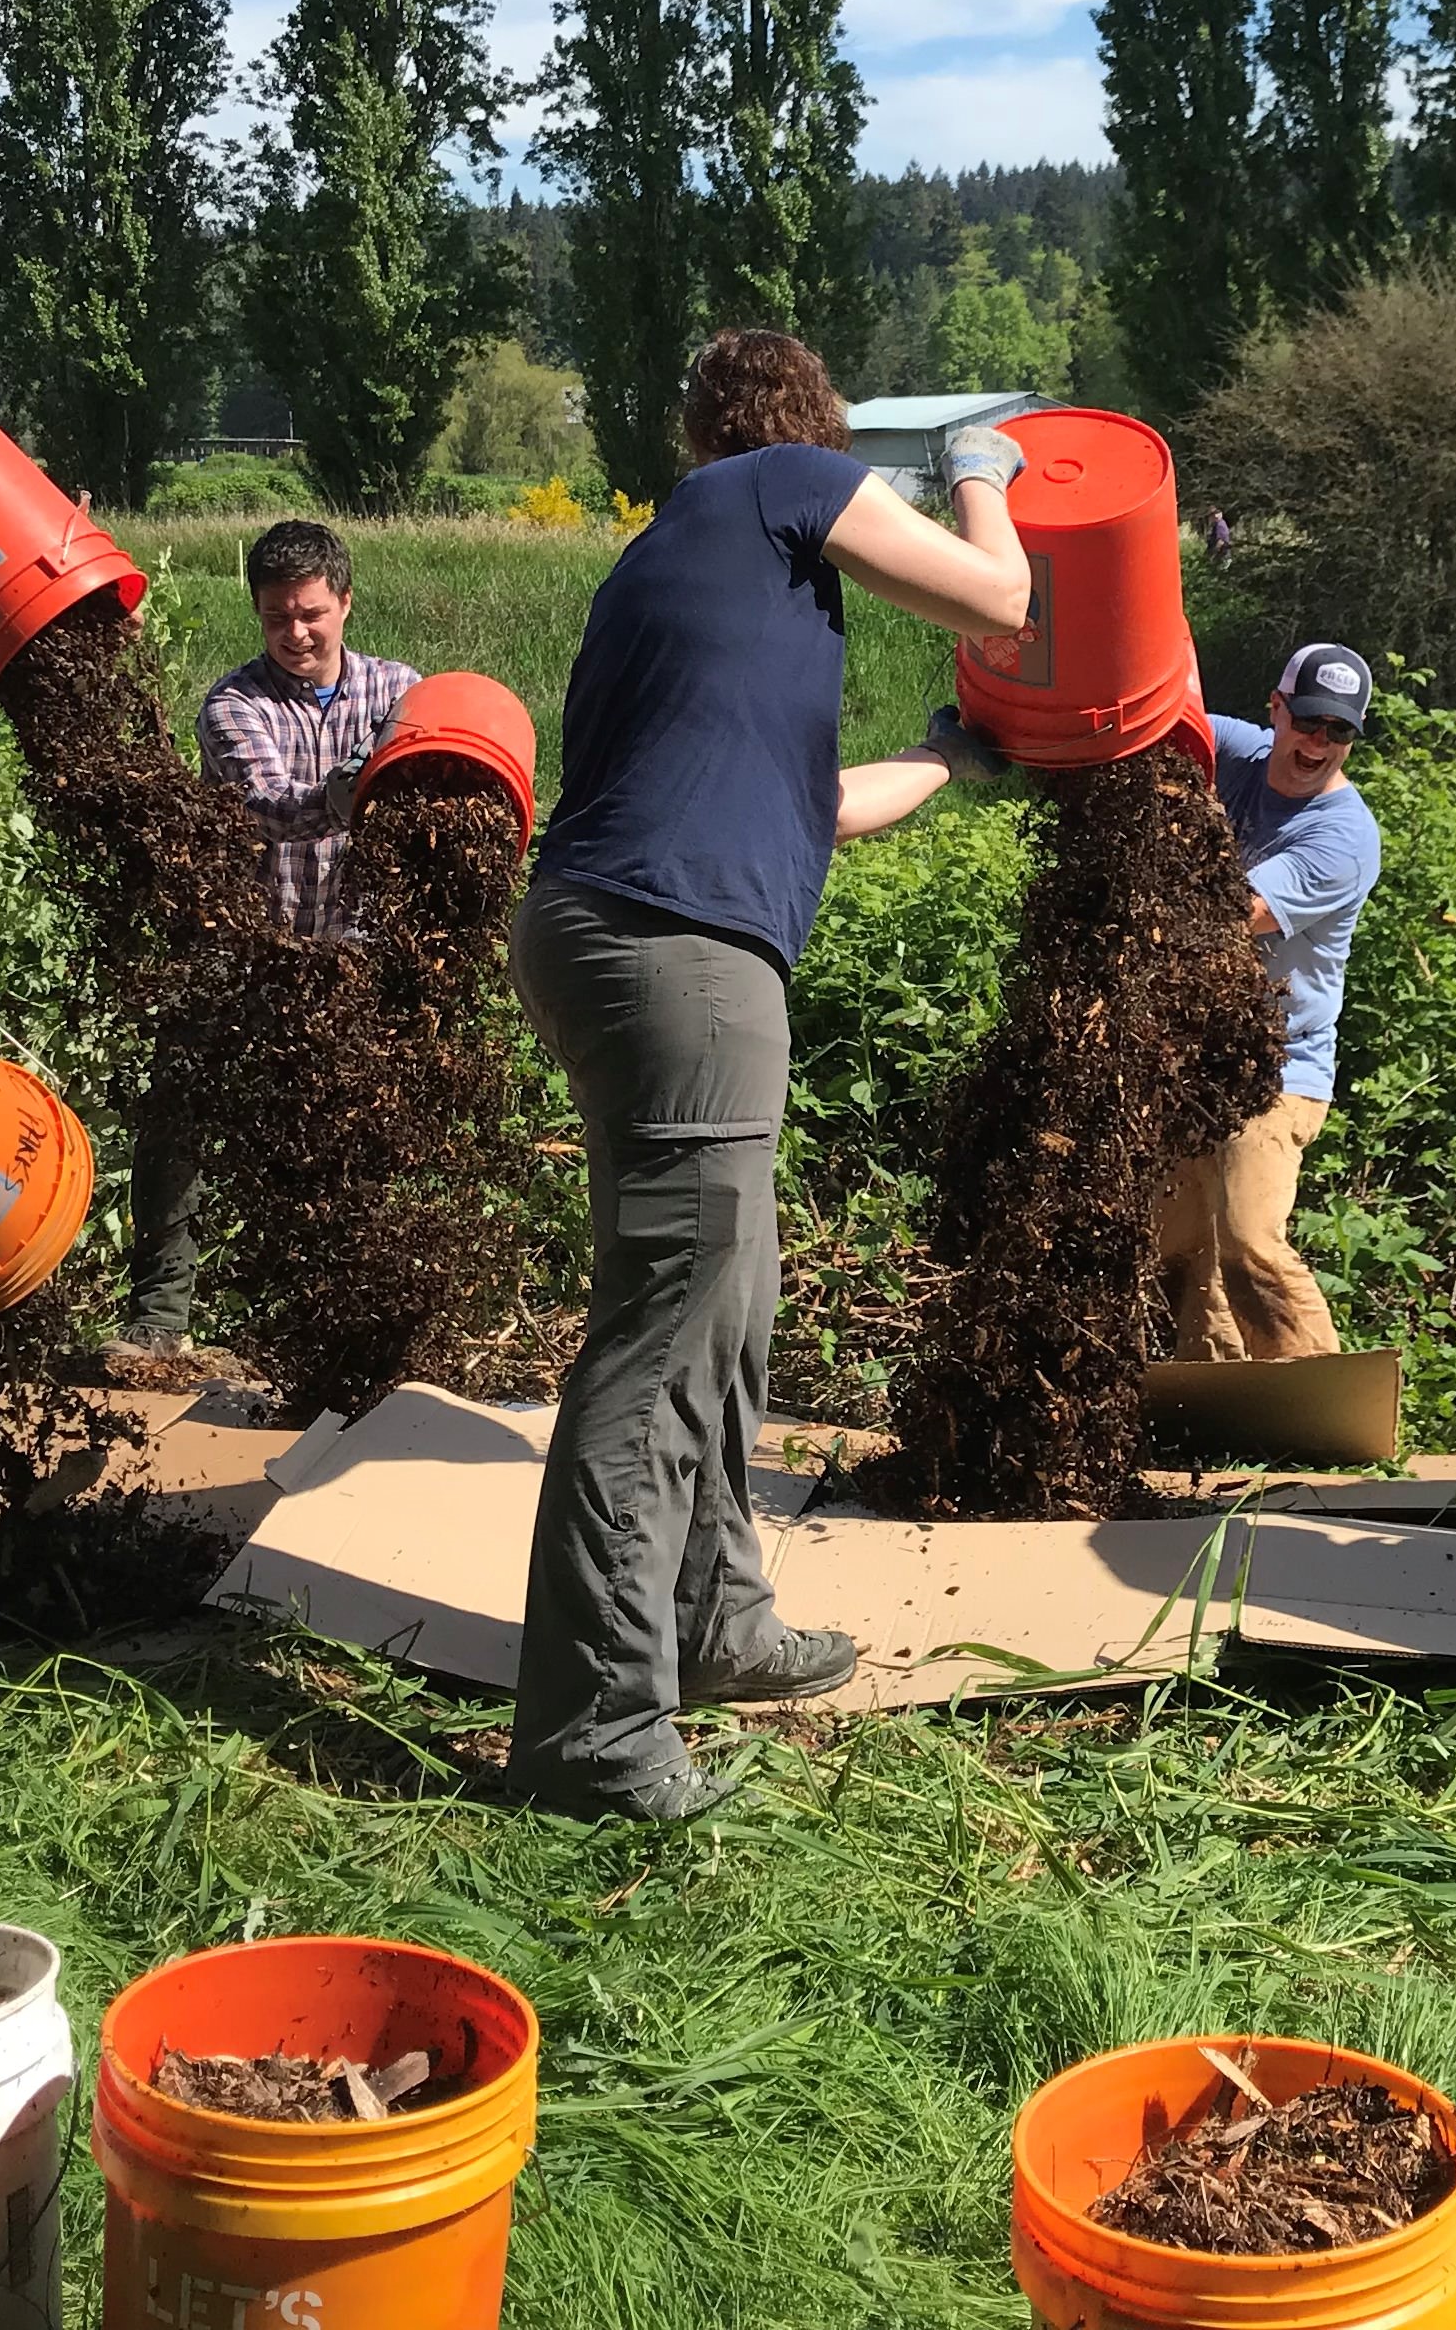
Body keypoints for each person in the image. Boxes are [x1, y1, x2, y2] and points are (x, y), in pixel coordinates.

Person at [510, 331, 1028, 1821]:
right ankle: (592, 1737)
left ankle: (716, 1620)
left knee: (731, 1306)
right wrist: (983, 473)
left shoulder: (687, 569)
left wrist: (953, 759)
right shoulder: (782, 486)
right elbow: (1000, 600)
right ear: (820, 437)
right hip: (680, 951)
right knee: (666, 1332)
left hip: (615, 930)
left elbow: (819, 807)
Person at [122, 517, 423, 1347]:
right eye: (276, 617)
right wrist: (356, 786)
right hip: (243, 946)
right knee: (178, 1120)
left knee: (340, 1143)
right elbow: (268, 805)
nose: (295, 633)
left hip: (353, 954)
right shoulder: (233, 704)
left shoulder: (402, 691)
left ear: (346, 604)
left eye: (311, 614)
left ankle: (326, 1332)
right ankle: (159, 1321)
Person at [1148, 644, 1384, 1363]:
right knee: (1184, 1242)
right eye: (1308, 721)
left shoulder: (1342, 839)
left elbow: (1232, 914)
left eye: (1338, 732)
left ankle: (1322, 1397)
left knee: (1249, 1237)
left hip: (1279, 1065)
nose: (1318, 744)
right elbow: (1167, 721)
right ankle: (1217, 1397)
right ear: (1277, 709)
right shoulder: (1242, 752)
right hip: (1195, 1053)